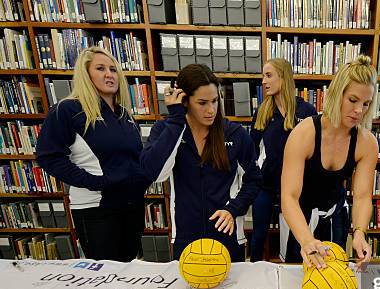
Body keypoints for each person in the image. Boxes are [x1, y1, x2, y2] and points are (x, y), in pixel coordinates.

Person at [36, 46, 150, 262]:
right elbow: (48, 156)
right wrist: (92, 181)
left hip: (132, 206)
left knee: (127, 271)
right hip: (96, 209)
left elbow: (134, 157)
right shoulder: (68, 110)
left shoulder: (124, 114)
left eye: (113, 69)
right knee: (104, 277)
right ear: (85, 74)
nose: (109, 74)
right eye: (100, 68)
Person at [140, 64, 262, 261]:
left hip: (227, 237)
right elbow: (153, 172)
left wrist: (234, 209)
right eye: (202, 103)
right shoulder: (166, 129)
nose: (211, 110)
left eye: (215, 101)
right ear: (185, 101)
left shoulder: (235, 133)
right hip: (186, 238)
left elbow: (254, 180)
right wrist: (176, 120)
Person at [281, 55, 379, 270]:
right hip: (301, 219)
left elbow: (362, 196)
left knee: (333, 280)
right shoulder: (304, 134)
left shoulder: (366, 142)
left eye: (366, 104)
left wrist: (360, 232)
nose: (359, 111)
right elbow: (289, 196)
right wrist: (306, 240)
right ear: (336, 94)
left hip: (336, 218)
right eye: (353, 100)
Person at [249, 58, 317, 261]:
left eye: (268, 75)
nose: (263, 81)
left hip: (298, 188)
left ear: (284, 77)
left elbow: (315, 149)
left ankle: (292, 272)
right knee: (258, 234)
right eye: (263, 76)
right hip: (267, 185)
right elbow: (252, 150)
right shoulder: (263, 111)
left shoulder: (306, 111)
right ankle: (254, 271)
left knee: (298, 236)